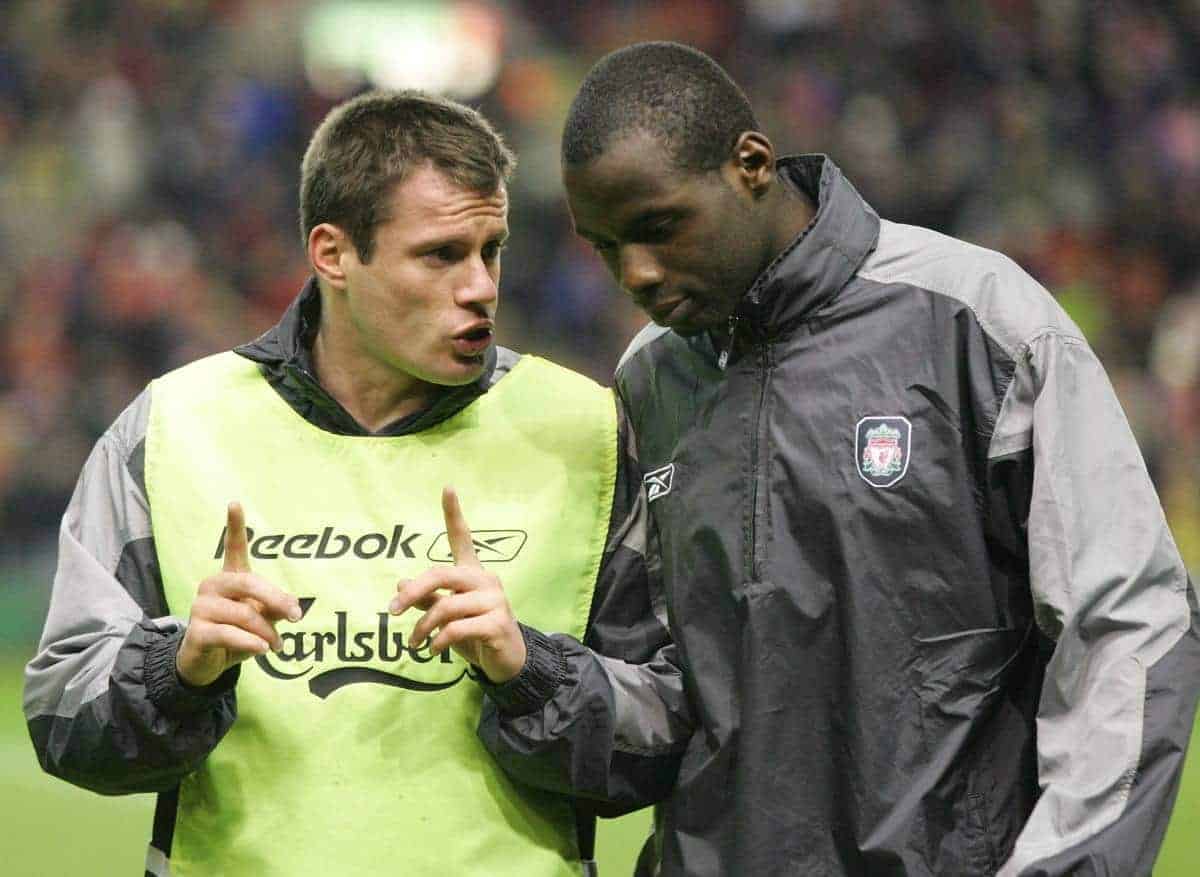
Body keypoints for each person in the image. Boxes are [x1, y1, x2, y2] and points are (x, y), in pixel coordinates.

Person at [448, 42, 1200, 875]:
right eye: (605, 247)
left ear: (752, 165)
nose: (637, 273)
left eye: (659, 227)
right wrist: (529, 672)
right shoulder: (650, 380)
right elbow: (664, 705)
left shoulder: (975, 322)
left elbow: (1127, 624)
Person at [22, 89, 684, 876]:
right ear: (333, 254)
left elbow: (672, 733)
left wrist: (529, 671)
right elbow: (62, 715)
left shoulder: (589, 433)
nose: (480, 286)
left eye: (491, 249)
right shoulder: (168, 429)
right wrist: (178, 673)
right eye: (440, 254)